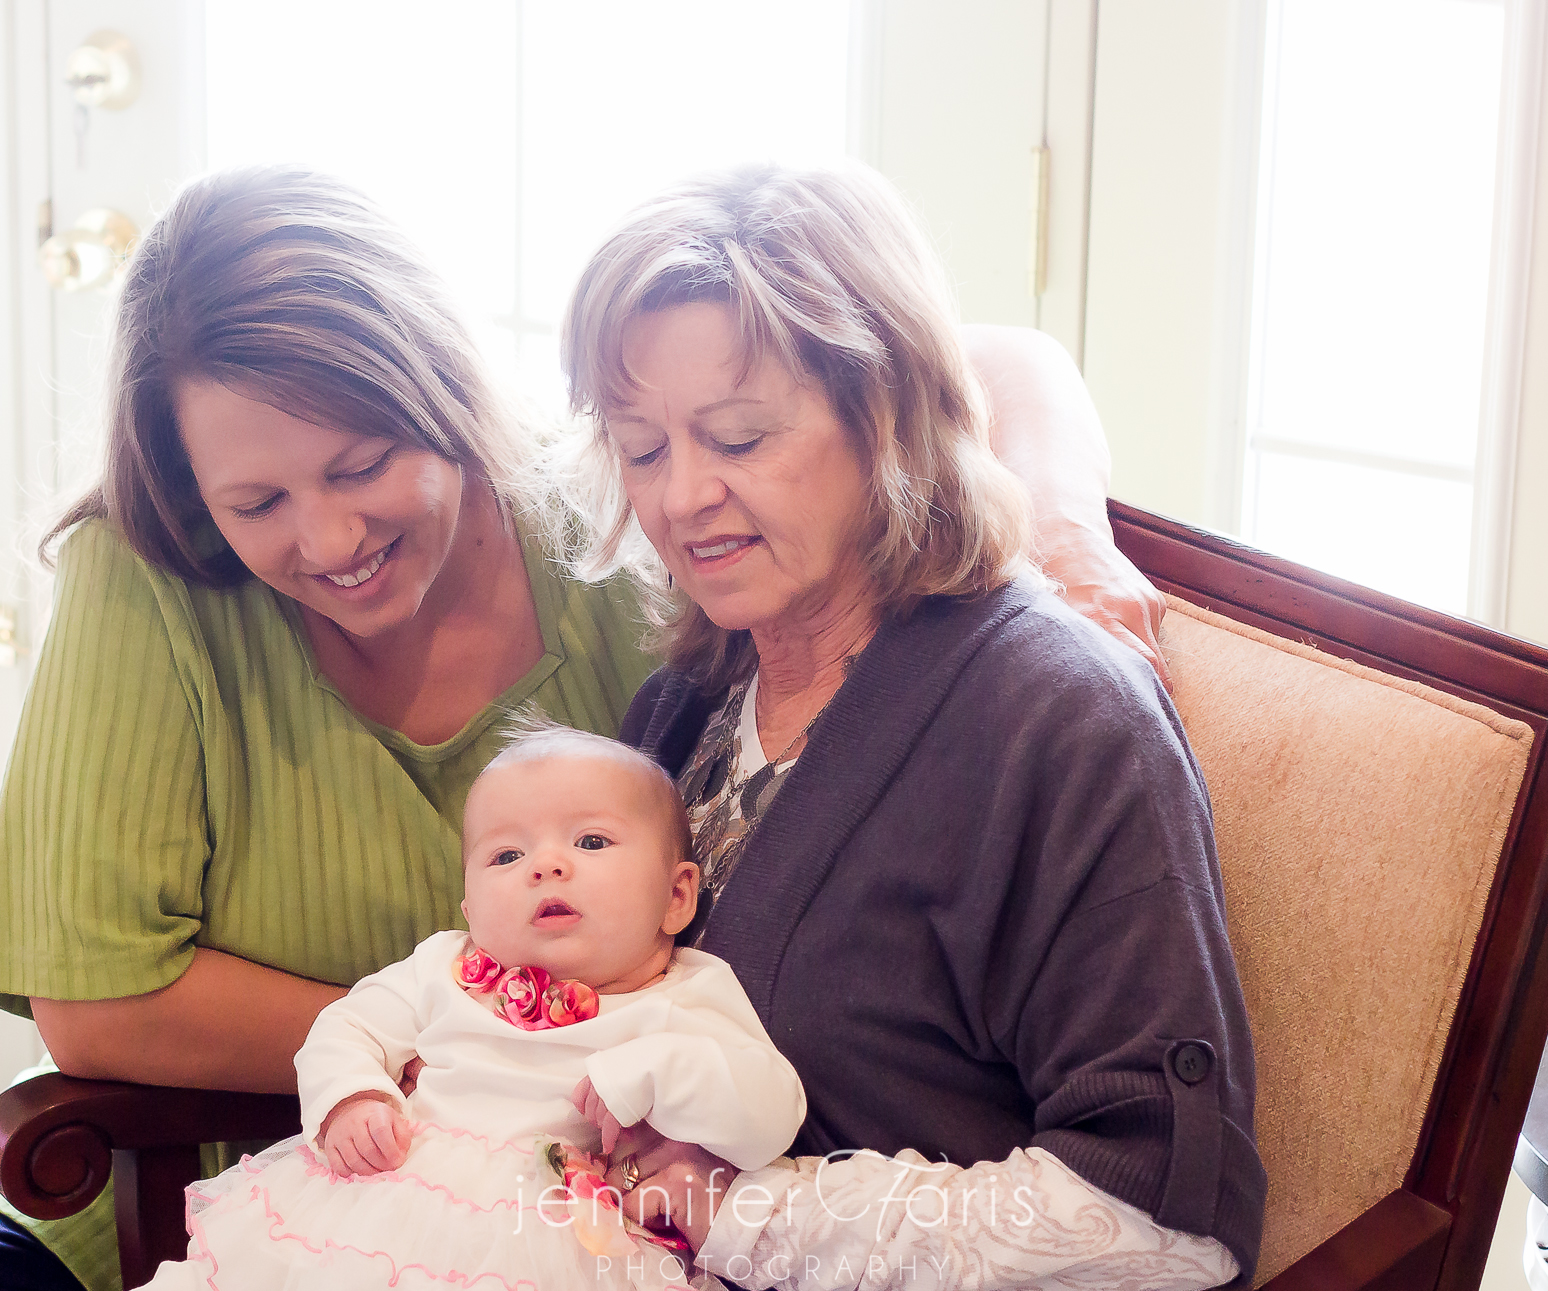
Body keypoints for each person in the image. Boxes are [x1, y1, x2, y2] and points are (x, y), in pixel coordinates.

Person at [0, 164, 1167, 1291]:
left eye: (363, 465)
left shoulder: (624, 552)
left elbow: (931, 347)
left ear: (446, 396)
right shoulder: (693, 680)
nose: (330, 538)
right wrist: (473, 1043)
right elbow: (99, 1003)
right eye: (257, 502)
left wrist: (1062, 526)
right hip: (229, 1212)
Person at [558, 164, 1267, 1289]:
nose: (680, 497)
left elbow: (1158, 1225)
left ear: (885, 415)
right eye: (642, 448)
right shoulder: (688, 698)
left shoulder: (1062, 728)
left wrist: (743, 1212)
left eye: (737, 438)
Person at [140, 724, 805, 1290]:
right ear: (470, 908)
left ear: (677, 896)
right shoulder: (446, 966)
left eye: (591, 841)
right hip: (389, 1201)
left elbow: (772, 1113)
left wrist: (665, 1071)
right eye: (507, 854)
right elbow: (347, 1026)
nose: (546, 865)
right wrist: (352, 1097)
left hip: (560, 1240)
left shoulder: (688, 992)